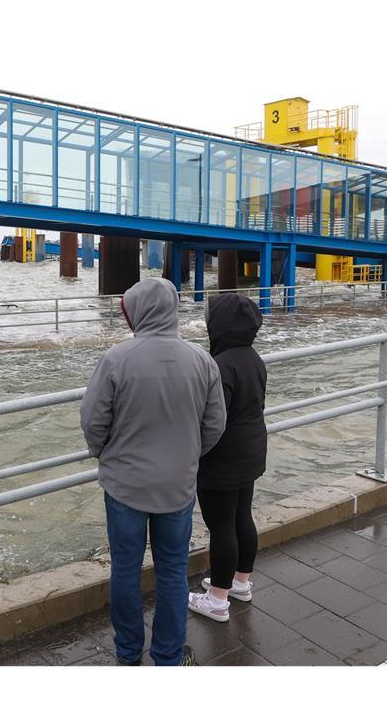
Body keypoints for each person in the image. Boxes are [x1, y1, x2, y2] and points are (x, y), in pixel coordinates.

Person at [81, 277, 226, 666]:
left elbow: (93, 422)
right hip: (178, 487)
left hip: (125, 486)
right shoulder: (202, 360)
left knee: (126, 572)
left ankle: (128, 654)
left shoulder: (116, 359)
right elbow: (215, 426)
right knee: (173, 573)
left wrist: (105, 455)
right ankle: (168, 656)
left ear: (137, 311)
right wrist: (188, 457)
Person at [188, 293, 267, 623]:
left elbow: (212, 418)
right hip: (250, 450)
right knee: (241, 517)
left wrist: (195, 451)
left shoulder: (220, 365)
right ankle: (239, 582)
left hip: (222, 457)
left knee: (221, 525)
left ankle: (217, 599)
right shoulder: (253, 358)